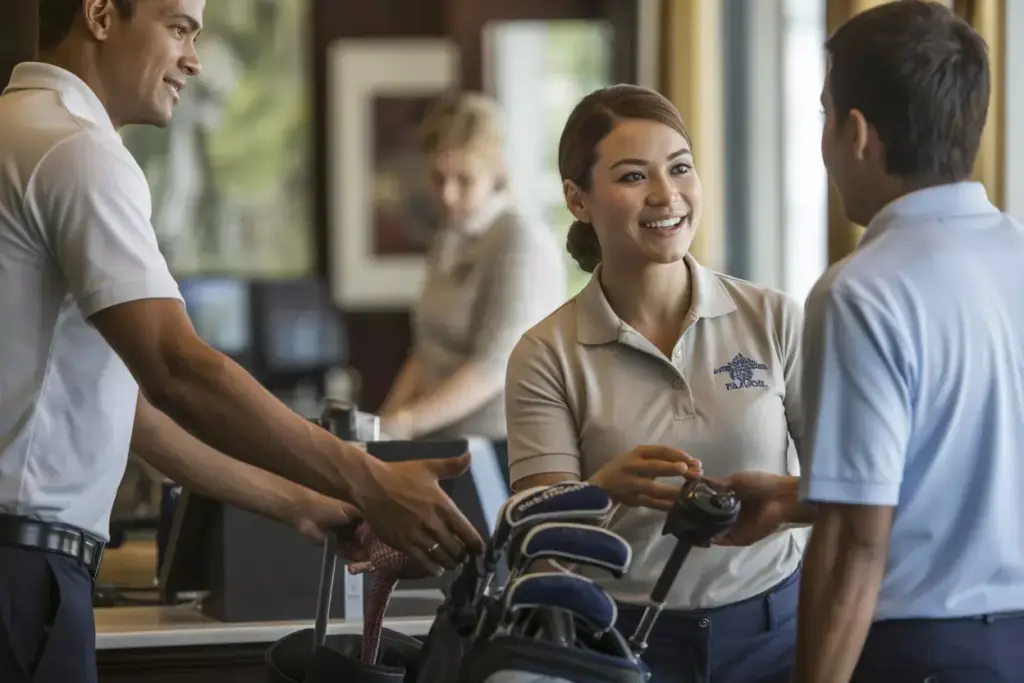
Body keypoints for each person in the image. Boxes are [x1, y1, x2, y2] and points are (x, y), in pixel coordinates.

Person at [0, 2, 482, 681]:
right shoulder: (76, 150)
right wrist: (368, 478)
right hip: (25, 574)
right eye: (178, 27)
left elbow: (132, 412)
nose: (194, 59)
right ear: (101, 14)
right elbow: (177, 367)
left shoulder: (18, 128)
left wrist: (300, 501)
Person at [714, 2, 1024, 682]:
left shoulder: (862, 290)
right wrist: (798, 494)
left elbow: (857, 541)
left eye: (824, 114)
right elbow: (965, 469)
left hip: (922, 656)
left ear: (856, 133)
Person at [504, 84, 807, 683]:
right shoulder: (544, 354)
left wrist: (781, 500)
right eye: (633, 176)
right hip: (618, 645)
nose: (666, 195)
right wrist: (600, 491)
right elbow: (541, 550)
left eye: (680, 168)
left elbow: (851, 488)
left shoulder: (774, 319)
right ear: (578, 199)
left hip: (777, 636)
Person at [379, 92, 566, 442]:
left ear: (496, 172)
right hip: (439, 439)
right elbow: (426, 352)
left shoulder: (520, 242)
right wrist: (381, 426)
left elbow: (495, 365)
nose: (448, 195)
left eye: (464, 179)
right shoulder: (448, 238)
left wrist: (407, 422)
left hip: (503, 447)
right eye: (438, 178)